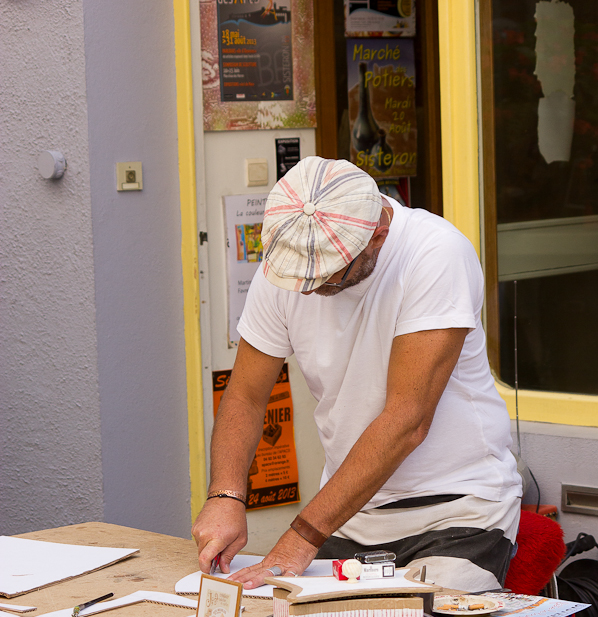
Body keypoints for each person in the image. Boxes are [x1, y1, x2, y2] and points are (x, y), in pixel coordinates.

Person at [192, 156, 522, 592]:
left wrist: (303, 535)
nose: (306, 288)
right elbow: (246, 397)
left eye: (324, 276)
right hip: (352, 512)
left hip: (458, 508)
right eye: (298, 276)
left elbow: (407, 419)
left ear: (377, 237)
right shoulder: (291, 263)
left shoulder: (435, 252)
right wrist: (225, 495)